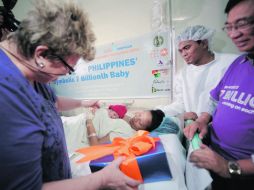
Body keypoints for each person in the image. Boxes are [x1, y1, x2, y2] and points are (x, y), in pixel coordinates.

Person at [0, 0, 141, 189]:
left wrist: (83, 102)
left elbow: (53, 102)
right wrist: (101, 179)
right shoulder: (6, 94)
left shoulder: (33, 75)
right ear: (41, 55)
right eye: (68, 68)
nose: (66, 74)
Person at [183, 0, 254, 189]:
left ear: (204, 43)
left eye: (243, 24)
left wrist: (229, 167)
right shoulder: (239, 64)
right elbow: (215, 100)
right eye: (229, 27)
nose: (234, 34)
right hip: (214, 155)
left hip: (240, 172)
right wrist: (202, 120)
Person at [157, 25, 238, 123]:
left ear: (204, 43)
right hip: (194, 130)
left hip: (227, 127)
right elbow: (180, 104)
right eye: (180, 51)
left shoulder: (232, 63)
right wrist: (156, 113)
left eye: (187, 47)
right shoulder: (183, 75)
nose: (183, 54)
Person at [62, 108, 165, 149]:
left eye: (140, 122)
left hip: (76, 132)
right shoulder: (126, 115)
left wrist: (89, 121)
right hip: (75, 121)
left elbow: (95, 145)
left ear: (144, 130)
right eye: (140, 114)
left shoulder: (127, 133)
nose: (136, 118)